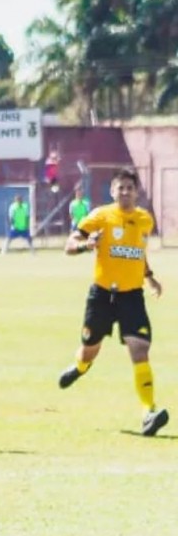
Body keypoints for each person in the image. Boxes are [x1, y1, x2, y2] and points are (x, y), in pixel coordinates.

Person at [58, 167, 168, 437]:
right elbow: (69, 245)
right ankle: (81, 367)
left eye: (130, 188)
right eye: (121, 188)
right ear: (112, 191)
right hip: (103, 295)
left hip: (132, 296)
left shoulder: (144, 220)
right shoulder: (100, 216)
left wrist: (150, 277)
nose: (126, 192)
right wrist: (86, 245)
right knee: (89, 349)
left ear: (137, 192)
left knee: (139, 349)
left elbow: (137, 253)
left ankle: (148, 412)